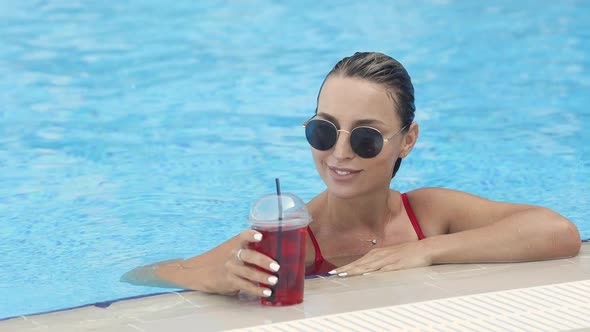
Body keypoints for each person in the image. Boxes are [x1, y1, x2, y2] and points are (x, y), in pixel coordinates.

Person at [121, 52, 581, 299]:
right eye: (324, 131)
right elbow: (144, 274)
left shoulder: (430, 213)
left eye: (366, 138)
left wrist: (425, 251)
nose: (339, 154)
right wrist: (215, 277)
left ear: (407, 140)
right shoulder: (294, 237)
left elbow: (557, 233)